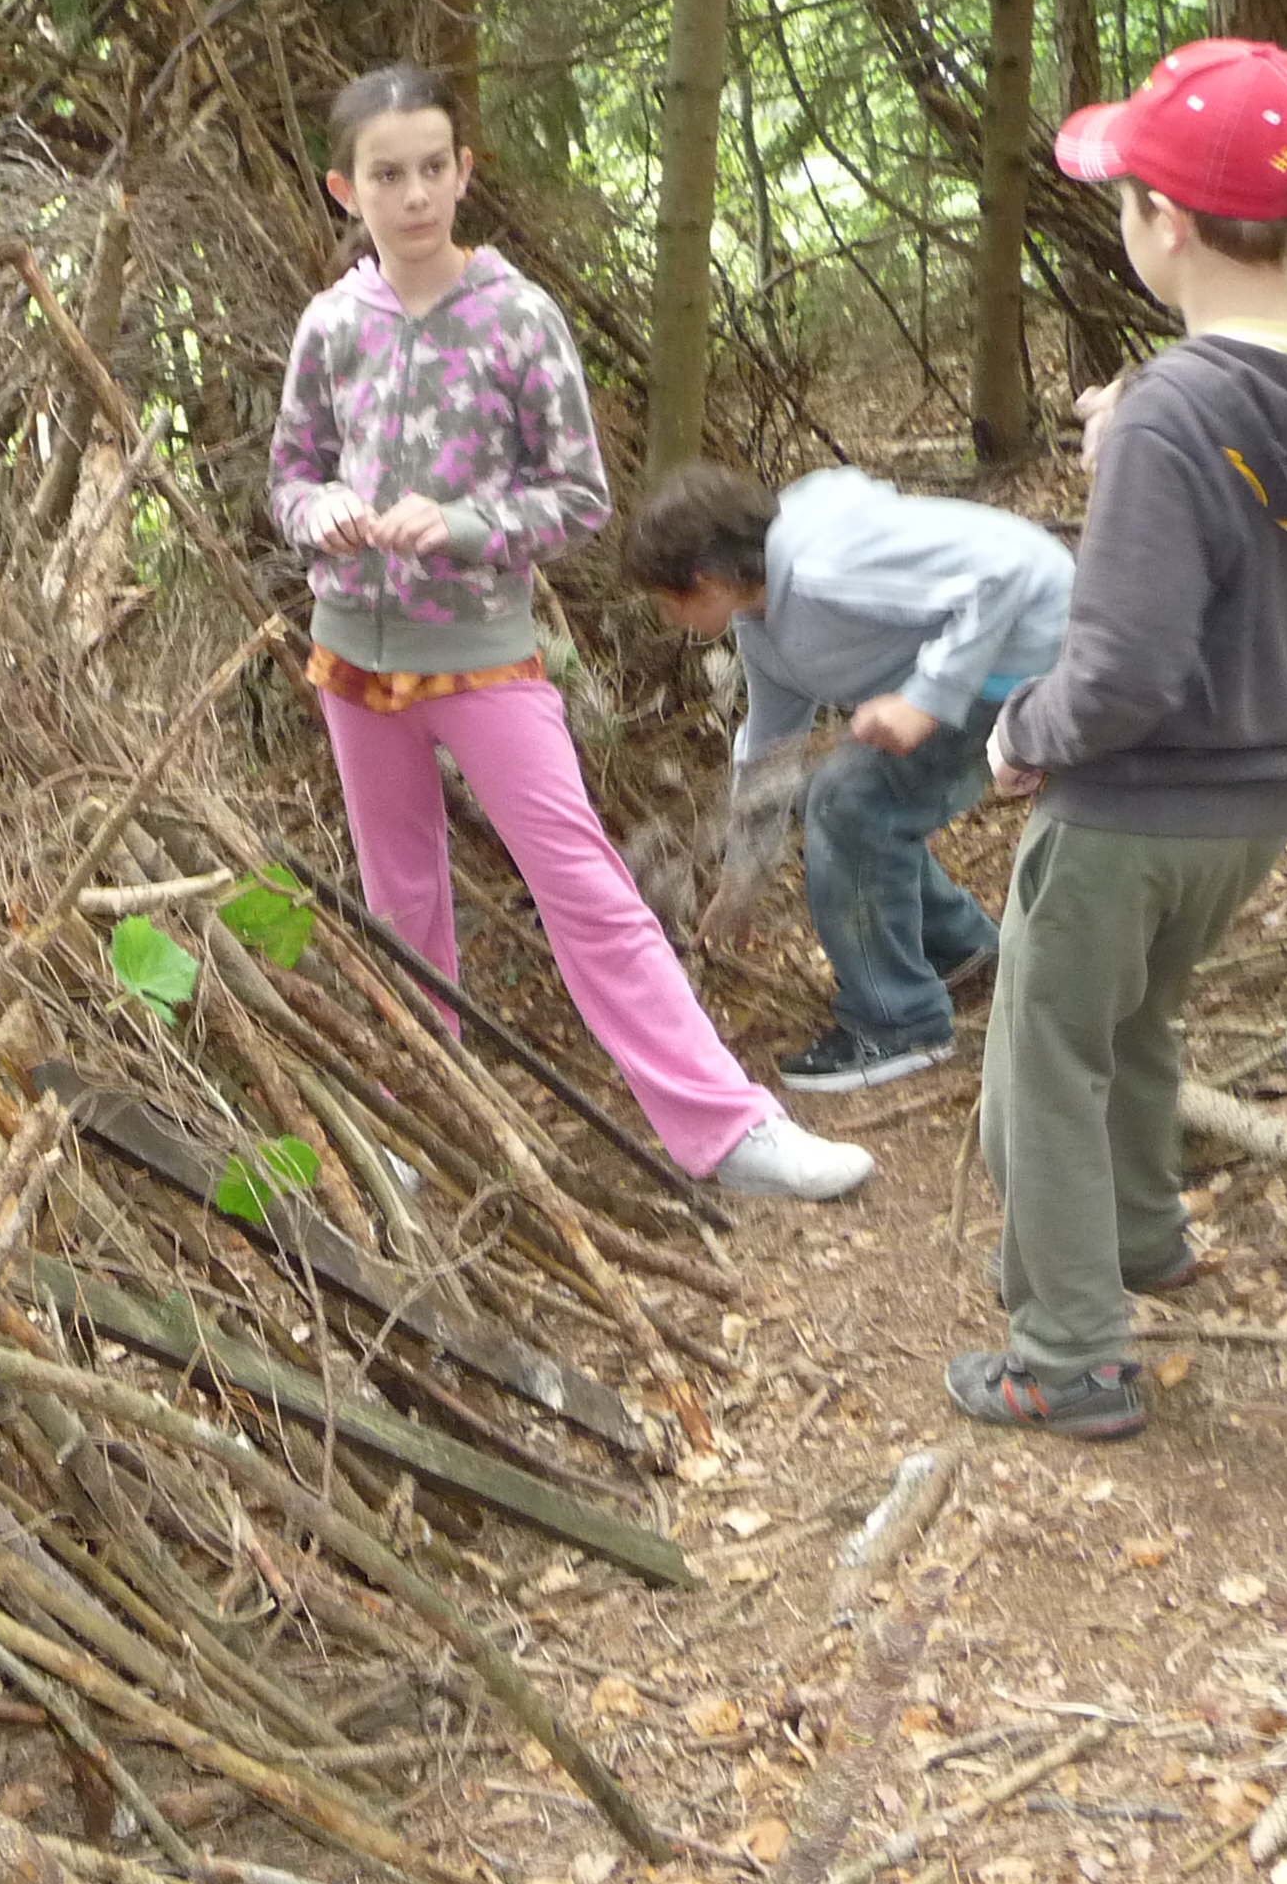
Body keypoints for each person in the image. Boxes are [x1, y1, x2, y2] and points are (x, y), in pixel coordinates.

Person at [266, 62, 875, 1202]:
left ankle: (729, 1128)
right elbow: (291, 476)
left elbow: (579, 498)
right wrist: (324, 514)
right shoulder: (330, 326)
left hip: (485, 660)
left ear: (464, 172)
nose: (413, 195)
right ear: (345, 189)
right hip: (352, 660)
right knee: (402, 907)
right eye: (387, 175)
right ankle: (418, 1131)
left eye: (432, 168)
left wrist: (462, 526)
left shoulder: (518, 319)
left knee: (585, 889)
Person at [949, 37, 1287, 1438]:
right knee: (1139, 1021)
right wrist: (1136, 431)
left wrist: (1022, 734)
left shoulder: (1174, 413)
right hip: (1258, 804)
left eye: (1127, 198)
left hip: (1127, 807)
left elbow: (1126, 672)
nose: (1125, 218)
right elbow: (1247, 471)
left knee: (1042, 1063)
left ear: (1168, 223)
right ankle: (1144, 1234)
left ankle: (1070, 1354)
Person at [626, 461, 1074, 1092]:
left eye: (667, 602)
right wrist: (743, 875)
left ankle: (899, 1023)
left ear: (707, 580)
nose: (666, 617)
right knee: (836, 794)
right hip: (984, 660)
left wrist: (925, 700)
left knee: (851, 800)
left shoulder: (823, 566)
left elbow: (1003, 573)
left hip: (1032, 652)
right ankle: (958, 947)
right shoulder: (761, 621)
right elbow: (772, 746)